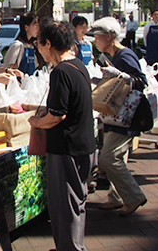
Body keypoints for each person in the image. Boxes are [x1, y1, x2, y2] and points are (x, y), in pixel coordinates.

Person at [28, 19, 95, 251]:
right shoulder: (78, 65)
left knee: (64, 206)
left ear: (48, 43)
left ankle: (70, 248)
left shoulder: (61, 72)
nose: (38, 49)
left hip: (67, 149)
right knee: (76, 203)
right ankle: (72, 245)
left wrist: (37, 121)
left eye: (39, 44)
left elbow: (57, 115)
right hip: (83, 145)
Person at [87, 17, 147, 216]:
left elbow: (140, 81)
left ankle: (133, 196)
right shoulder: (115, 55)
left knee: (109, 157)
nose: (95, 42)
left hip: (125, 116)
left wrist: (120, 75)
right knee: (117, 156)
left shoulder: (125, 55)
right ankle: (116, 197)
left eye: (97, 37)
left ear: (109, 37)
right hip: (116, 115)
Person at [143, 9, 158, 83]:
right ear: (152, 16)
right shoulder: (148, 26)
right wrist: (147, 46)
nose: (157, 16)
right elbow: (145, 36)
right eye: (155, 14)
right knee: (150, 66)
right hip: (151, 49)